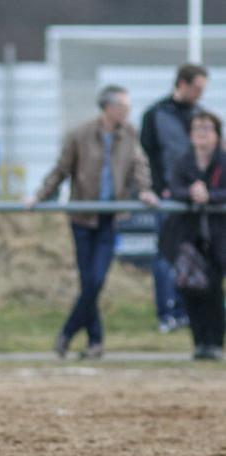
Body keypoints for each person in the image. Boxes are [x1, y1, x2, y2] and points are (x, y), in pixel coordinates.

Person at [29, 86, 157, 359]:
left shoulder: (129, 134)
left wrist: (144, 189)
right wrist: (39, 195)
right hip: (82, 218)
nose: (127, 112)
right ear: (108, 107)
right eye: (123, 106)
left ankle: (68, 332)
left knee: (95, 280)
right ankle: (95, 341)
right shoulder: (81, 134)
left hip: (110, 218)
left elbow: (139, 165)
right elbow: (61, 170)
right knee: (90, 281)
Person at [141, 64, 208, 333]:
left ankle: (189, 311)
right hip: (168, 198)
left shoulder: (200, 115)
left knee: (195, 255)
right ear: (182, 83)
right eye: (196, 88)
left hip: (195, 198)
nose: (200, 94)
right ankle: (167, 312)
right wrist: (159, 189)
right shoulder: (156, 114)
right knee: (166, 254)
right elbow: (147, 155)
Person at [159, 111, 226, 360]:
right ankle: (199, 343)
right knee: (190, 289)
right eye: (197, 128)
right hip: (188, 237)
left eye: (207, 128)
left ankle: (215, 343)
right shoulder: (183, 161)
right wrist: (191, 192)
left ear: (217, 134)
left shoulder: (222, 161)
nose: (201, 132)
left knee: (214, 291)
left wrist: (211, 195)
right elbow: (172, 189)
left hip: (218, 238)